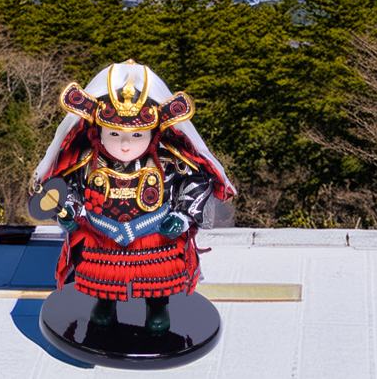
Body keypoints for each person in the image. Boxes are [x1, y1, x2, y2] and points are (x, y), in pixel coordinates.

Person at [33, 59, 235, 332]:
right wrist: (68, 211)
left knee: (157, 278)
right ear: (97, 130)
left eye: (138, 134)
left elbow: (197, 181)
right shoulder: (86, 160)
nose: (125, 144)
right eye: (114, 133)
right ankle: (105, 303)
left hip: (153, 232)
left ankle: (158, 306)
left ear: (153, 133)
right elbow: (69, 187)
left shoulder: (168, 160)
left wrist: (182, 216)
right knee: (104, 279)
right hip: (102, 234)